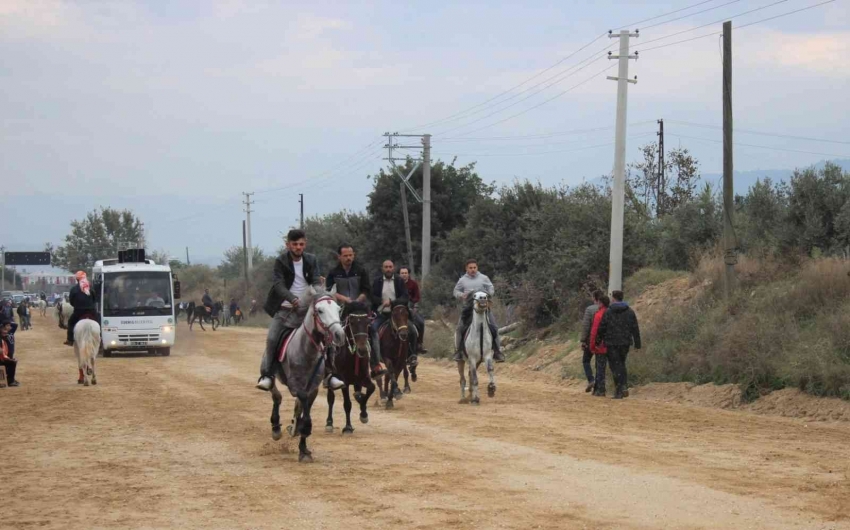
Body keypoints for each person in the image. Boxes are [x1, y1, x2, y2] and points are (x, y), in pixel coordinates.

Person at [256, 229, 343, 392]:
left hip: (308, 310)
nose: (298, 247)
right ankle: (268, 375)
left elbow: (316, 280)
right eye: (294, 244)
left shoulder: (311, 260)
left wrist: (320, 291)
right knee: (272, 338)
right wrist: (292, 298)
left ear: (305, 244)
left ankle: (331, 375)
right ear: (288, 245)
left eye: (301, 244)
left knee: (328, 334)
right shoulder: (280, 261)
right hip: (285, 310)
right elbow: (278, 284)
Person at [325, 244, 385, 377]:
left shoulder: (361, 270)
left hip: (360, 308)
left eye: (350, 255)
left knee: (373, 332)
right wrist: (344, 299)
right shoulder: (333, 272)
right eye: (345, 256)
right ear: (339, 257)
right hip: (340, 309)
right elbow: (329, 291)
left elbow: (366, 289)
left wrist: (358, 299)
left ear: (354, 255)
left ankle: (375, 365)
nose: (348, 258)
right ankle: (328, 366)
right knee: (329, 333)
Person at [453, 259, 504, 363]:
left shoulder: (484, 278)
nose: (473, 270)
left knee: (494, 327)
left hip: (484, 307)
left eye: (474, 268)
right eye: (470, 268)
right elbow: (455, 291)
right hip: (468, 308)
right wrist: (461, 295)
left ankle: (497, 352)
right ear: (466, 268)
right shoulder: (462, 280)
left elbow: (491, 288)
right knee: (459, 329)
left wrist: (487, 294)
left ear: (477, 268)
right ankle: (459, 351)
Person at [370, 260, 418, 367]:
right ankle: (375, 360)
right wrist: (381, 301)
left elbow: (405, 297)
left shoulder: (399, 281)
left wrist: (392, 302)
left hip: (398, 315)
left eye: (390, 267)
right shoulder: (377, 281)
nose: (388, 269)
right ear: (382, 268)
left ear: (393, 268)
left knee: (412, 330)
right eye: (386, 267)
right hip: (381, 314)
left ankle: (412, 355)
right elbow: (371, 297)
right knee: (372, 329)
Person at [597, 290, 641, 400]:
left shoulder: (608, 312)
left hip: (611, 342)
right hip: (625, 342)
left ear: (613, 298)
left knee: (614, 366)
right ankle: (623, 387)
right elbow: (635, 328)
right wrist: (637, 343)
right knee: (621, 363)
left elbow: (602, 327)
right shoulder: (630, 311)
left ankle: (620, 389)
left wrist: (598, 340)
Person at [64, 271, 99, 346]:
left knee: (70, 322)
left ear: (77, 279)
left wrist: (77, 305)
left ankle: (70, 339)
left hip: (78, 312)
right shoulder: (91, 287)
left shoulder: (74, 289)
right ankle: (100, 338)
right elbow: (94, 299)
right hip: (91, 311)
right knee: (99, 322)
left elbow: (71, 302)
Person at [399, 266, 427, 356]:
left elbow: (417, 297)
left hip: (410, 307)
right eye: (402, 273)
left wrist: (414, 305)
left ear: (408, 274)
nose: (404, 275)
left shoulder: (413, 284)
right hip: (398, 308)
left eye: (405, 273)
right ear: (399, 274)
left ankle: (419, 344)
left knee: (421, 322)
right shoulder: (396, 283)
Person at [580, 290, 604, 393]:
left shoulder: (590, 309)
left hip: (591, 339)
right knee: (599, 363)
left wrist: (583, 340)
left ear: (594, 298)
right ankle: (599, 387)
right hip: (603, 340)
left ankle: (591, 379)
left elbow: (586, 326)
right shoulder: (607, 309)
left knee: (586, 360)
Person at [589, 294, 610, 397]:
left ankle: (600, 389)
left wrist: (592, 345)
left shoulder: (599, 315)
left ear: (600, 303)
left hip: (601, 345)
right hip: (612, 344)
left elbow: (594, 331)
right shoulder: (611, 313)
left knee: (600, 367)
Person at [0, 315, 19, 387]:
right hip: (3, 356)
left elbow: (15, 325)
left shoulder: (10, 332)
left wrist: (8, 321)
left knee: (11, 362)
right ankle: (6, 380)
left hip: (6, 354)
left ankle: (10, 380)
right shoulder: (1, 338)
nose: (6, 332)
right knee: (9, 363)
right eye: (4, 330)